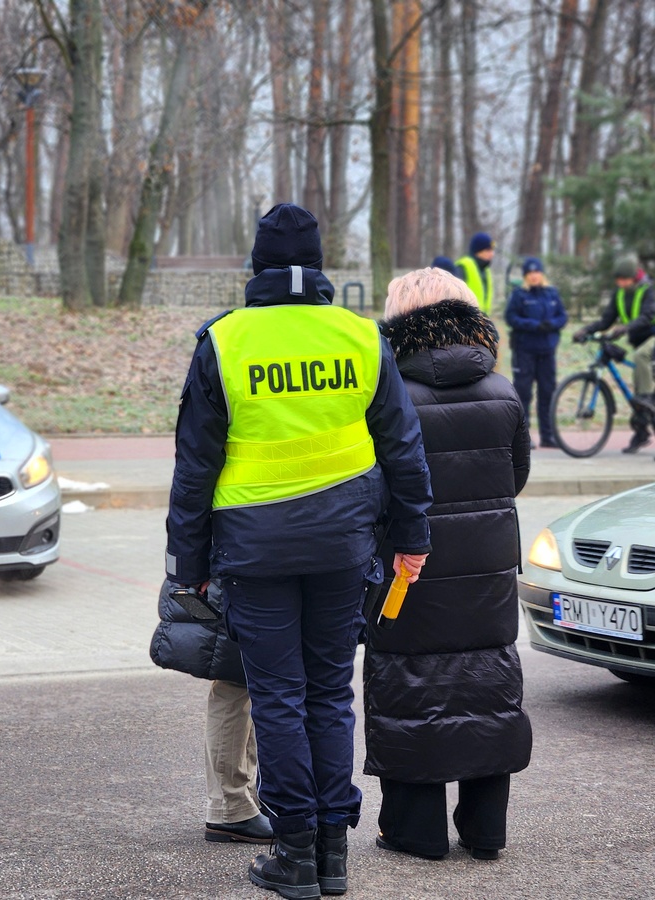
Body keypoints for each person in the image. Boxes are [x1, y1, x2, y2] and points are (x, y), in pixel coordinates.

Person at [165, 203, 433, 899]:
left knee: (278, 697)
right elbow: (403, 448)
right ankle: (334, 854)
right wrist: (412, 538)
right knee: (329, 694)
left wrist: (187, 566)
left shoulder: (225, 340)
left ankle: (295, 854)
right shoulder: (360, 336)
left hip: (254, 550)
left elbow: (195, 465)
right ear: (319, 265)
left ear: (255, 265)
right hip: (344, 545)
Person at [366, 268, 533, 863]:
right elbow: (515, 476)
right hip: (487, 563)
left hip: (410, 566)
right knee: (488, 679)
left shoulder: (388, 396)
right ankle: (485, 829)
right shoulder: (504, 391)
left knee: (409, 679)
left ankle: (416, 829)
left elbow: (376, 487)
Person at [149, 578, 273, 845]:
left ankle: (241, 799)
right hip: (232, 577)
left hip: (243, 573)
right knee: (235, 682)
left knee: (246, 682)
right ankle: (230, 807)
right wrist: (191, 575)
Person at [573, 255, 655, 453]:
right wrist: (586, 330)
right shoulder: (619, 294)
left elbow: (647, 316)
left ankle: (647, 398)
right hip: (639, 342)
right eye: (618, 279)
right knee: (638, 387)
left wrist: (626, 328)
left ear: (634, 277)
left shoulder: (648, 290)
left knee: (641, 358)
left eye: (624, 279)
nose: (620, 283)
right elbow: (606, 320)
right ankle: (641, 432)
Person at [504, 256, 567, 447]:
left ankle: (548, 436)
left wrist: (551, 324)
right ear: (525, 275)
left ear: (542, 274)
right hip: (525, 351)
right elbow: (511, 317)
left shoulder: (551, 294)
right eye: (530, 273)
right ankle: (524, 438)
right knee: (523, 393)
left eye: (537, 272)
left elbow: (562, 316)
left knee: (547, 392)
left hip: (547, 352)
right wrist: (533, 325)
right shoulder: (519, 295)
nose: (534, 276)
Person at [454, 232, 495, 315]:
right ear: (478, 251)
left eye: (492, 250)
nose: (492, 254)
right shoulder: (463, 267)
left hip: (481, 319)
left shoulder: (485, 270)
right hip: (466, 318)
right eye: (488, 250)